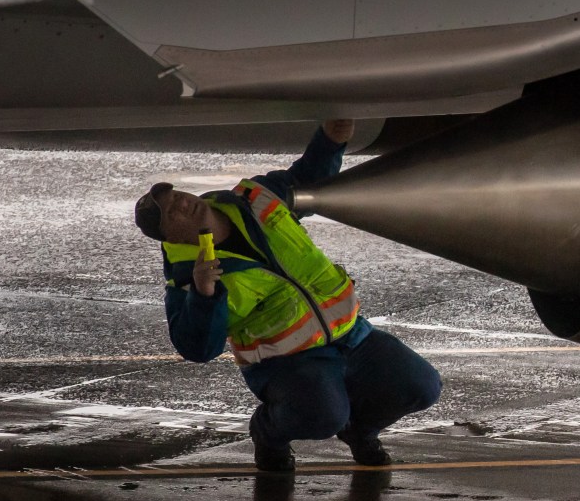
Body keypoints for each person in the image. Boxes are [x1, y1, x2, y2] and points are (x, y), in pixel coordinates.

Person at [133, 120, 441, 472]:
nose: (181, 204)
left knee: (422, 386)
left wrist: (331, 140)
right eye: (170, 213)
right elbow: (197, 349)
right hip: (289, 363)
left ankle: (360, 432)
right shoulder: (187, 279)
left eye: (176, 197)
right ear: (171, 238)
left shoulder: (254, 199)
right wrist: (204, 294)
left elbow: (308, 178)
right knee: (323, 417)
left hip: (352, 336)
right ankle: (268, 433)